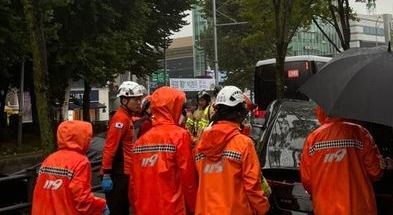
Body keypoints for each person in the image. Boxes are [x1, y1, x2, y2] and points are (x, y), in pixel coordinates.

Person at [194, 85, 269, 214]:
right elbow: (252, 186)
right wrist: (264, 208)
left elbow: (196, 180)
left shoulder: (201, 143)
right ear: (239, 113)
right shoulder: (243, 144)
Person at [300, 106, 383, 215]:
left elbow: (307, 180)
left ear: (321, 111)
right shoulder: (361, 134)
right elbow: (375, 172)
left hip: (325, 209)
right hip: (360, 208)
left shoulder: (313, 139)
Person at [130, 86, 197, 215]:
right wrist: (194, 207)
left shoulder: (140, 142)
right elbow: (188, 179)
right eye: (180, 107)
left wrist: (136, 207)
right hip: (172, 208)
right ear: (173, 108)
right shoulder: (179, 136)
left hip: (144, 208)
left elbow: (133, 184)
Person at [32, 120, 109, 215]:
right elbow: (82, 199)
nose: (91, 140)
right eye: (88, 137)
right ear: (81, 138)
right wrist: (101, 206)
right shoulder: (80, 161)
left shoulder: (50, 159)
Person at [101, 80, 146, 215]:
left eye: (140, 99)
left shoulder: (126, 117)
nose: (139, 102)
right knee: (118, 209)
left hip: (123, 172)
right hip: (118, 173)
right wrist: (106, 174)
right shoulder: (120, 119)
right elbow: (110, 147)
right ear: (125, 100)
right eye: (135, 99)